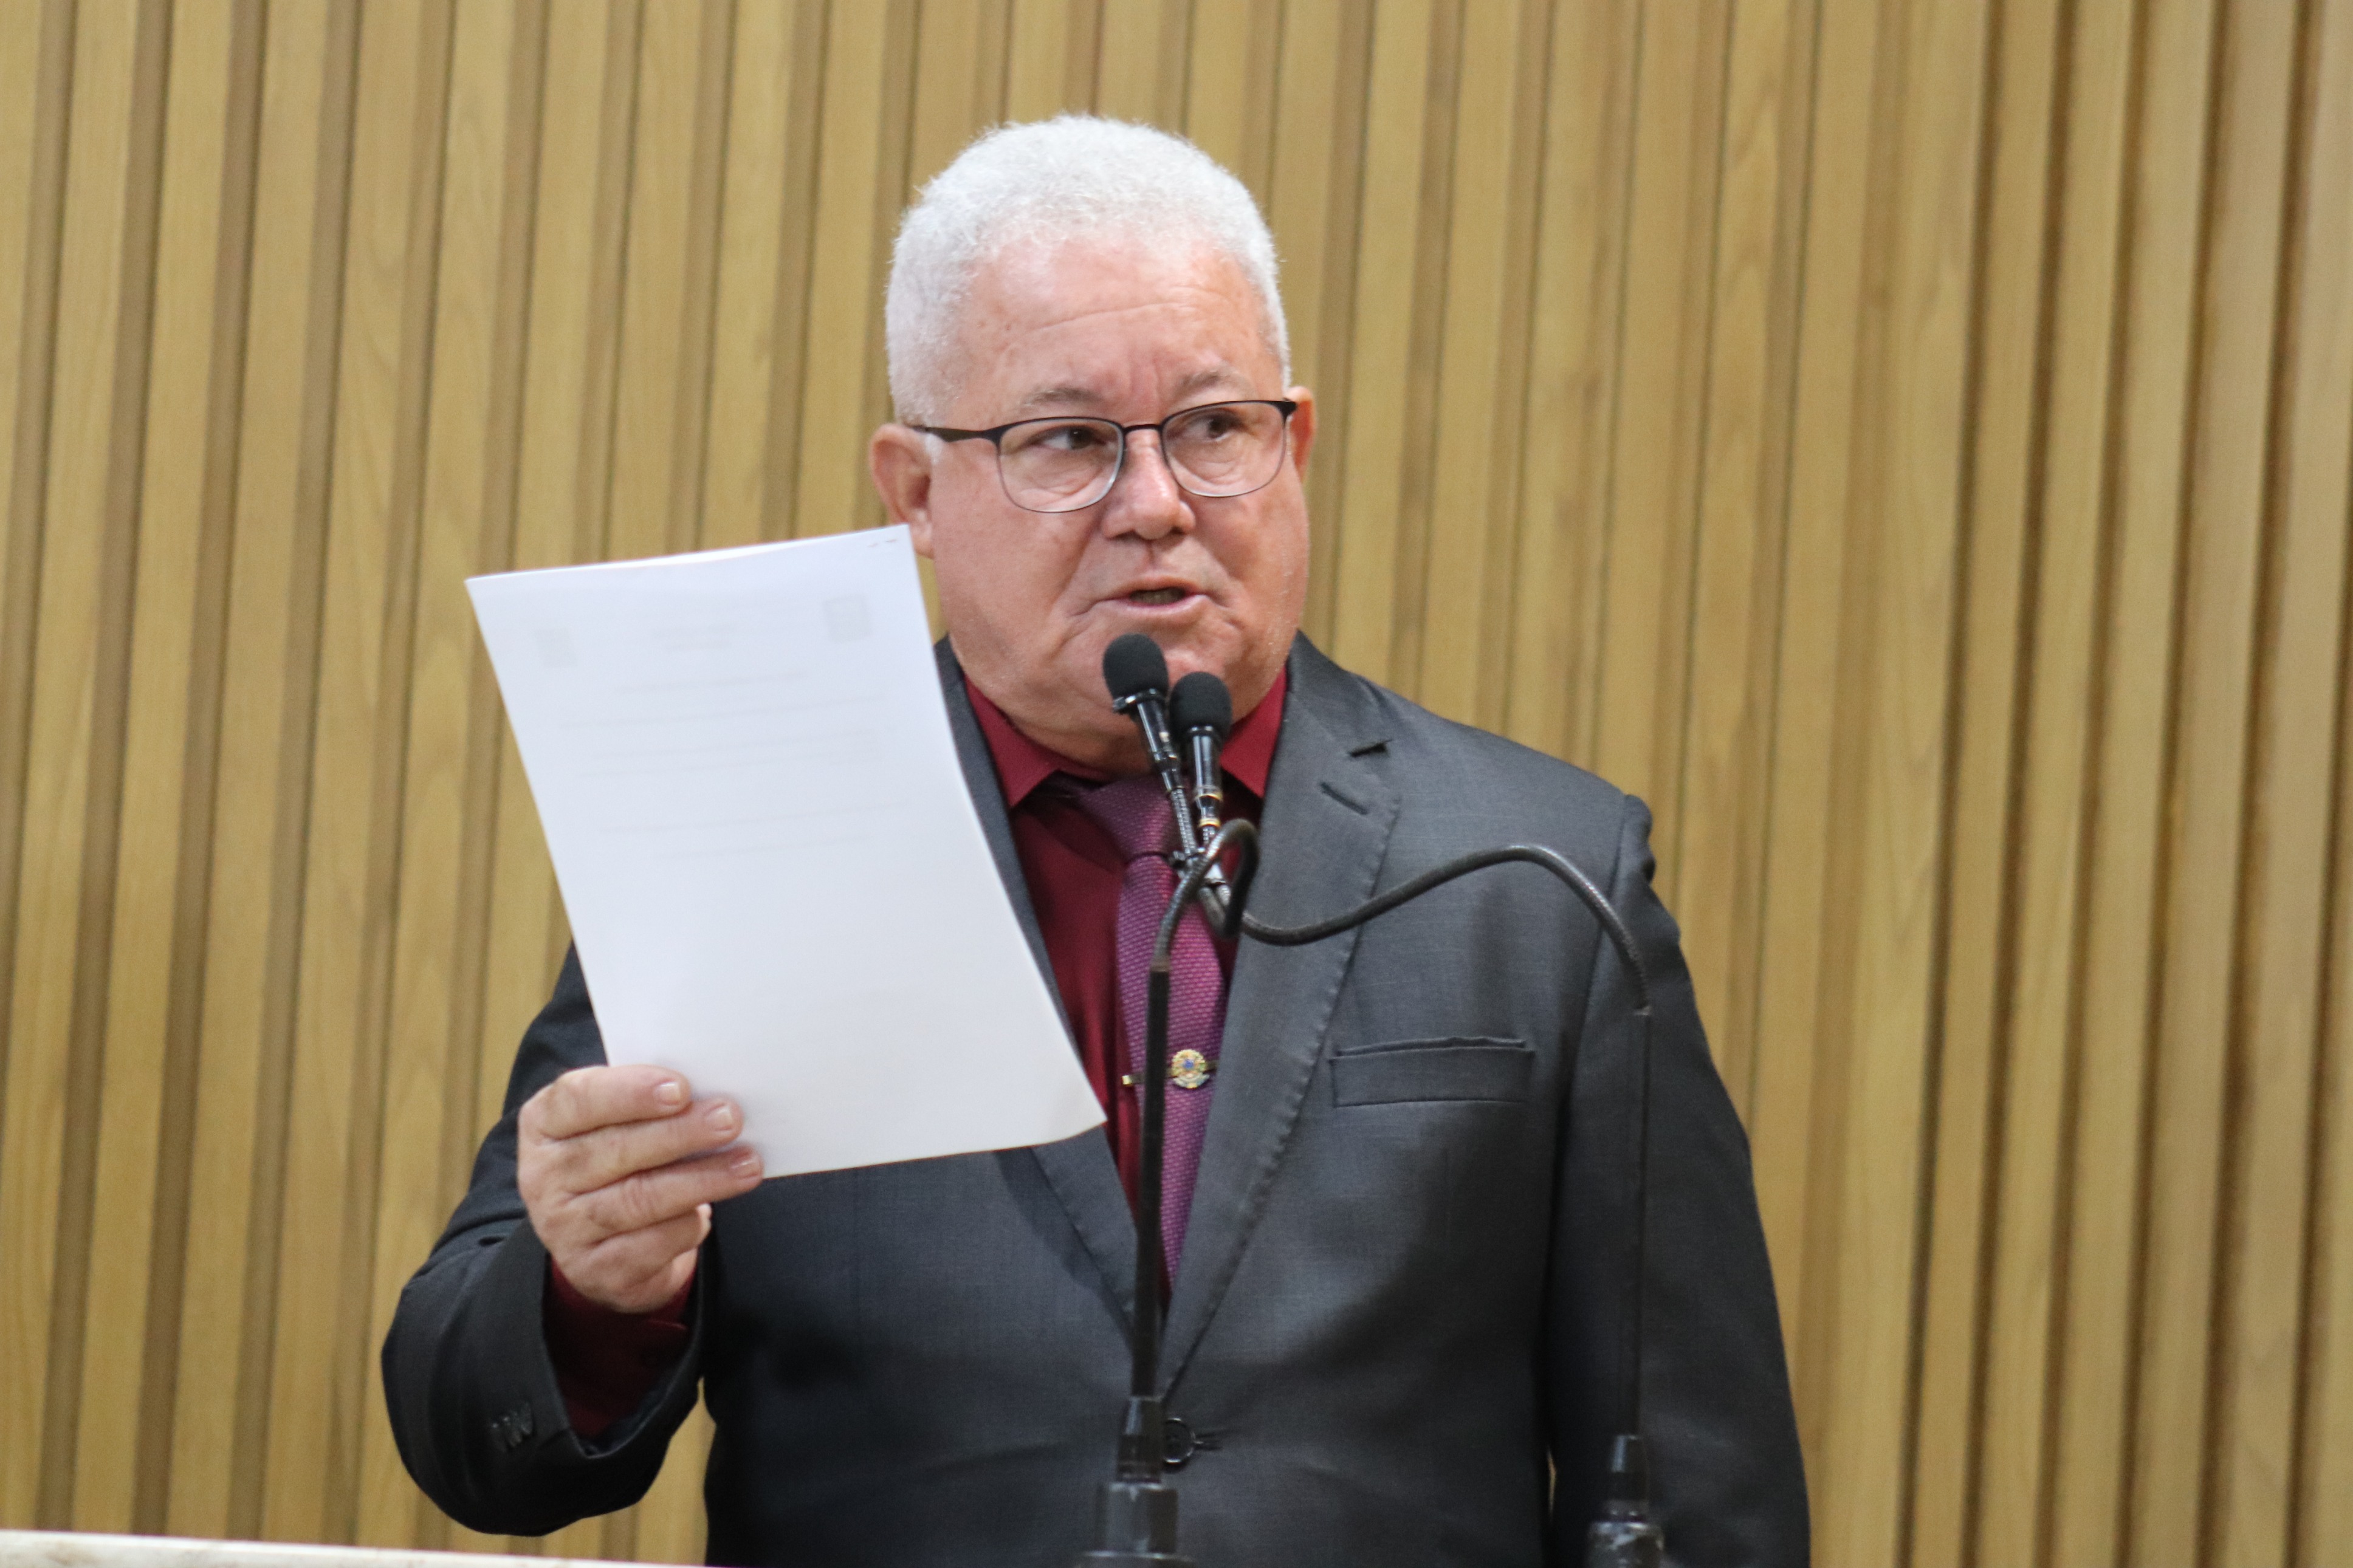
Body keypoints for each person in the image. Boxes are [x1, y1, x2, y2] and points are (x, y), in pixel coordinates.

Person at [383, 116, 1807, 1568]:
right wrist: (593, 1289)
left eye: (1215, 428)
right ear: (916, 490)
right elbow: (467, 1437)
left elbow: (1700, 1492)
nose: (1156, 505)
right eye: (1066, 441)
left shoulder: (1540, 875)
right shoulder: (747, 850)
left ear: (1296, 443)